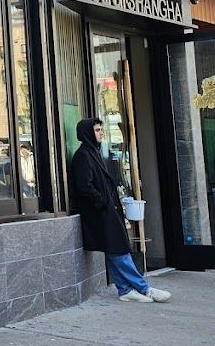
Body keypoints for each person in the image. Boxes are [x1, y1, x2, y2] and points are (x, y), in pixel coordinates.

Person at [69, 118, 170, 304]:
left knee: (115, 250)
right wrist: (103, 202)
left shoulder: (93, 153)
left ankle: (125, 290)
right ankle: (144, 288)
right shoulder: (83, 156)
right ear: (88, 133)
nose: (101, 133)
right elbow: (84, 186)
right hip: (100, 214)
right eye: (98, 130)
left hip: (106, 212)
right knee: (119, 251)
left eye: (101, 129)